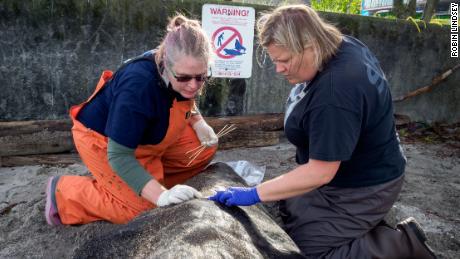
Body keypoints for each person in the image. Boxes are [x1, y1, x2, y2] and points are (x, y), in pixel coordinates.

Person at [209, 5, 436, 259]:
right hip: (355, 165)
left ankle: (399, 245)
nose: (278, 69)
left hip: (364, 185)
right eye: (275, 60)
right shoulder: (343, 46)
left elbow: (321, 171)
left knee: (309, 251)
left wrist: (253, 193)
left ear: (310, 45)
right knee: (290, 210)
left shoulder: (334, 93)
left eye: (284, 60)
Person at [45, 14, 218, 226]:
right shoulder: (138, 87)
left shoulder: (181, 68)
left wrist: (198, 121)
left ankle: (142, 182)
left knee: (203, 148)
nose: (193, 85)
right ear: (165, 62)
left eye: (201, 77)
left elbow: (185, 97)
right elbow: (119, 155)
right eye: (183, 78)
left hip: (148, 139)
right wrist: (160, 196)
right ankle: (65, 193)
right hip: (104, 142)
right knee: (145, 210)